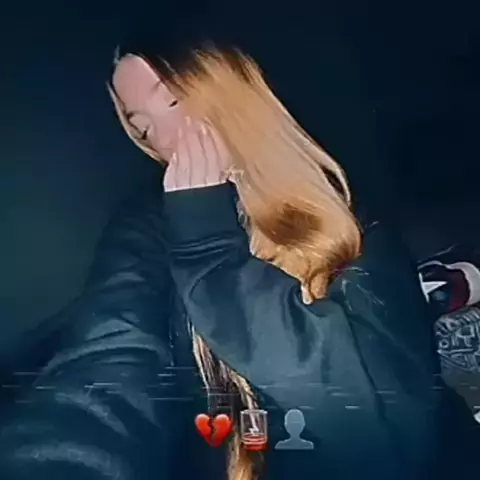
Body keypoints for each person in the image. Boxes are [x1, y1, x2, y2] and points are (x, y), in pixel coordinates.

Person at [1, 25, 480, 480]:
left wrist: (209, 249)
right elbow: (110, 354)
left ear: (230, 88)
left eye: (171, 101)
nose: (164, 141)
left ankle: (437, 289)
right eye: (143, 129)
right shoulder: (147, 223)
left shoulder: (341, 201)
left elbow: (377, 429)